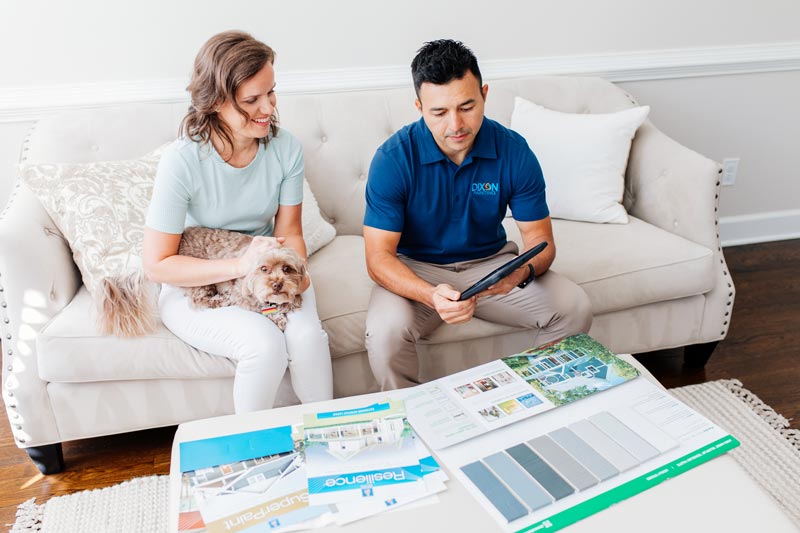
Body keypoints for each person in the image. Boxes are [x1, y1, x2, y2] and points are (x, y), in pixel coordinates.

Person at [363, 39, 593, 390]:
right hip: (416, 269)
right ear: (419, 106)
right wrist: (430, 295)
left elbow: (540, 242)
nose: (456, 124)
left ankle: (530, 397)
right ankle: (409, 416)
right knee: (385, 333)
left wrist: (517, 274)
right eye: (439, 113)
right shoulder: (393, 158)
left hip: (490, 265)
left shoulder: (513, 151)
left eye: (467, 106)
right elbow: (378, 258)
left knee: (574, 306)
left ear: (484, 94)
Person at [143, 30, 333, 413]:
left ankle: (327, 438)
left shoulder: (285, 149)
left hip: (268, 270)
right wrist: (241, 267)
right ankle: (257, 454)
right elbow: (157, 264)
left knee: (308, 338)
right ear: (215, 102)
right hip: (198, 285)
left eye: (271, 92)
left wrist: (298, 271)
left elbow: (290, 232)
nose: (268, 108)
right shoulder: (182, 161)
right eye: (252, 99)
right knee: (263, 346)